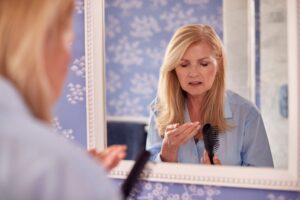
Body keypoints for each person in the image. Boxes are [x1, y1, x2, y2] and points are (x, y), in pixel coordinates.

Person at [0, 0, 126, 199]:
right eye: (68, 39)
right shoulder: (57, 171)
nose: (68, 60)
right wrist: (76, 175)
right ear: (37, 40)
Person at [146, 24, 274, 167]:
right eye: (184, 65)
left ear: (218, 64)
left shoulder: (247, 115)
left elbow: (262, 183)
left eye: (204, 64)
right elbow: (147, 182)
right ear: (173, 69)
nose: (193, 73)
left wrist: (221, 178)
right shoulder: (159, 109)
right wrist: (166, 155)